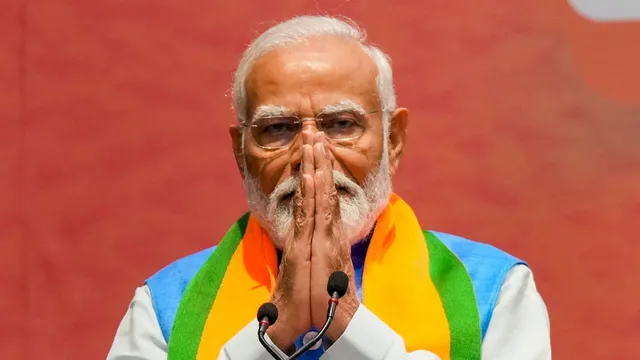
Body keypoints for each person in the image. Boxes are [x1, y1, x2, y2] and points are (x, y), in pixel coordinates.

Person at [107, 15, 551, 360]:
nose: (308, 154)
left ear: (393, 141)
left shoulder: (491, 290)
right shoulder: (167, 305)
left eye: (341, 124)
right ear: (241, 153)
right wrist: (274, 334)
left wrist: (351, 330)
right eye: (278, 129)